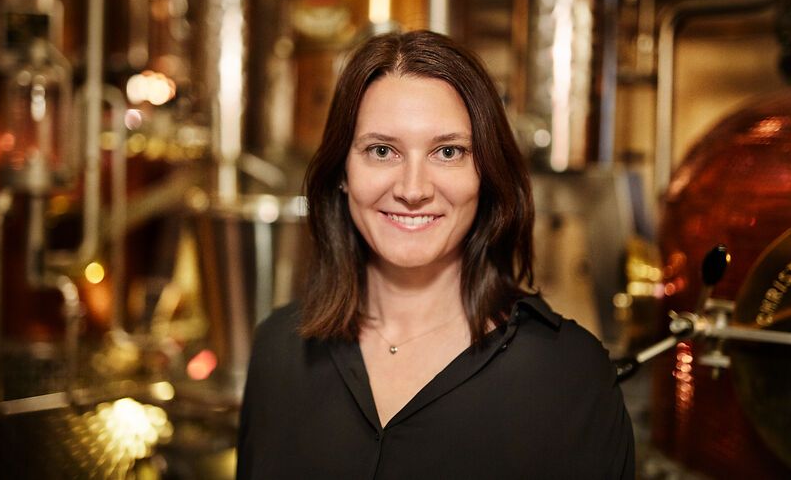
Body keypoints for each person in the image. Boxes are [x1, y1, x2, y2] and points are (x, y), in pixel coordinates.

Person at [237, 30, 634, 479]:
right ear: (343, 172)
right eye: (382, 151)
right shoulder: (279, 350)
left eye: (447, 152)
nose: (412, 190)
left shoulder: (569, 376)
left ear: (485, 174)